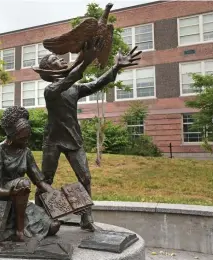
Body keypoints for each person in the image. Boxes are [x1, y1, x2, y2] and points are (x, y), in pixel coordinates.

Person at [34, 41, 142, 231]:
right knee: (45, 180)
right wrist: (86, 61)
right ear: (50, 69)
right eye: (55, 59)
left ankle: (86, 218)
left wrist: (115, 67)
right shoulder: (50, 90)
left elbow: (97, 83)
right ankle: (37, 216)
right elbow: (70, 78)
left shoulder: (74, 89)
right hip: (52, 141)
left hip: (73, 140)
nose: (60, 59)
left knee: (85, 178)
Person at [0, 106, 61, 242]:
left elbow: (39, 181)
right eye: (23, 138)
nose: (26, 140)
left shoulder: (26, 151)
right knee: (23, 182)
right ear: (12, 136)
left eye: (28, 136)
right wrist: (10, 193)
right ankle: (19, 231)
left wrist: (59, 197)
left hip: (20, 198)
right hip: (0, 196)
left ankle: (21, 227)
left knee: (53, 227)